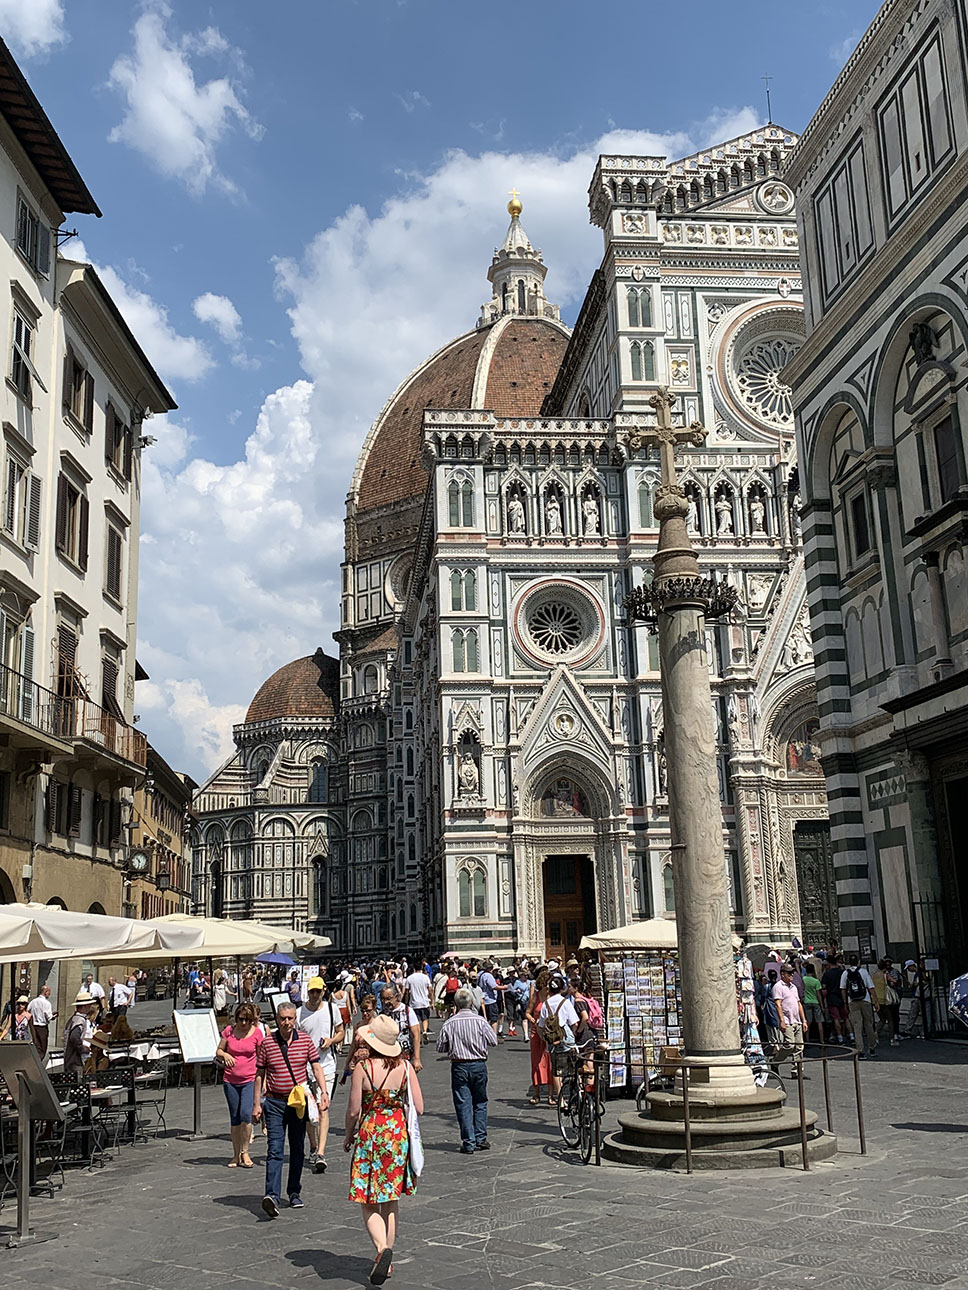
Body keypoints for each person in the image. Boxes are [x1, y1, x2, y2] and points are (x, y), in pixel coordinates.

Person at [344, 1014, 423, 1286]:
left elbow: (353, 1110)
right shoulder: (405, 1067)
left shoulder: (362, 1068)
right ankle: (387, 1259)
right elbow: (420, 1107)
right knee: (391, 1199)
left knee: (368, 1200)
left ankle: (381, 1250)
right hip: (397, 1136)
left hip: (371, 1136)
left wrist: (348, 1135)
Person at [253, 1002, 329, 1217]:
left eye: (290, 1018)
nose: (286, 1022)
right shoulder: (267, 1043)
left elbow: (316, 1066)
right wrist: (257, 1103)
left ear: (295, 1019)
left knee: (297, 1148)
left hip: (298, 1103)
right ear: (277, 1019)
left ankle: (294, 1191)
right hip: (274, 1103)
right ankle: (272, 1196)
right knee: (275, 1149)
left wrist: (323, 1091)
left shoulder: (304, 1040)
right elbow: (259, 1074)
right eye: (283, 1018)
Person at [436, 986, 497, 1153]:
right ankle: (480, 1137)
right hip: (478, 1064)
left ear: (456, 1004)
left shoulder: (450, 1023)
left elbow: (440, 1047)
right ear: (471, 1003)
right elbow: (493, 1041)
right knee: (480, 1101)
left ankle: (469, 1141)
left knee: (463, 1103)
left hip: (459, 1065)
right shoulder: (480, 1021)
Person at [297, 977, 344, 1174]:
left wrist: (331, 1040)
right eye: (312, 991)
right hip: (304, 1068)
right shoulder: (299, 1013)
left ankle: (321, 1153)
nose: (315, 995)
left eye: (318, 991)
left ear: (324, 991)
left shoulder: (332, 1010)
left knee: (323, 1107)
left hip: (326, 1065)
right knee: (309, 1112)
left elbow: (341, 1032)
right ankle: (313, 1145)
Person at [216, 1002, 264, 1168]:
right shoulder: (229, 1031)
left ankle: (245, 1151)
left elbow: (262, 1059)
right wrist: (225, 1055)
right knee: (235, 1118)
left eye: (247, 1020)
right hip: (230, 1080)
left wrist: (263, 1081)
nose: (244, 1023)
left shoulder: (256, 1033)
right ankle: (235, 1154)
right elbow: (219, 1050)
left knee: (246, 1114)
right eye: (241, 1019)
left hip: (249, 1079)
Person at [538, 974, 580, 1099]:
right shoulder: (565, 1002)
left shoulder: (545, 1004)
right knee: (574, 1067)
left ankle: (561, 1099)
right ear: (562, 988)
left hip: (552, 1039)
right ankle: (576, 1094)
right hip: (566, 1037)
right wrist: (573, 1033)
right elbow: (574, 1023)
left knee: (557, 1071)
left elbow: (541, 1026)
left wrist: (545, 1039)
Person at [842, 955, 878, 1058]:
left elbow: (843, 989)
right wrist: (875, 1001)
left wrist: (845, 1003)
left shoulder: (845, 973)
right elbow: (871, 987)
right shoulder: (864, 972)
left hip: (852, 1001)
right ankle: (872, 1048)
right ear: (858, 962)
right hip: (865, 1000)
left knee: (857, 1026)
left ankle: (860, 1051)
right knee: (869, 1024)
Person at [526, 972, 553, 1104]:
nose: (548, 986)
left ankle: (550, 1095)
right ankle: (536, 1094)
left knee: (550, 1063)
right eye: (547, 983)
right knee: (536, 1062)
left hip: (550, 1033)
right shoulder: (535, 997)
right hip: (536, 1032)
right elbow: (528, 1012)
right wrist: (532, 1019)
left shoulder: (552, 997)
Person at [381, 987, 421, 1071]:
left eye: (388, 999)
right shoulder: (382, 1014)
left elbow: (416, 1034)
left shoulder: (407, 1011)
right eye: (383, 999)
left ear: (396, 997)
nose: (385, 1002)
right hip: (389, 1057)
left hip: (406, 1055)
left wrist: (417, 1058)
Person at [772, 963, 806, 1060]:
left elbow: (798, 1003)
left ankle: (797, 1068)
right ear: (782, 974)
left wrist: (804, 1020)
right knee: (790, 1044)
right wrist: (782, 1020)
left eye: (792, 972)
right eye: (789, 973)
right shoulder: (778, 986)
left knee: (799, 1047)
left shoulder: (793, 987)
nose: (792, 975)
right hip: (787, 1020)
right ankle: (776, 1060)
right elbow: (778, 1004)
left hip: (797, 1020)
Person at [341, 994, 378, 1083]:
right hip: (357, 1062)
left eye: (368, 1011)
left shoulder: (377, 1025)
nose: (365, 1013)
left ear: (373, 1009)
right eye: (363, 1011)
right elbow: (353, 1046)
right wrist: (347, 1063)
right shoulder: (358, 1026)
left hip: (373, 1062)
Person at [63, 991, 96, 1073]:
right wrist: (82, 1048)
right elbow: (74, 1037)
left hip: (71, 1058)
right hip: (75, 1059)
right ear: (85, 1006)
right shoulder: (79, 1020)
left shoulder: (74, 1018)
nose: (90, 1007)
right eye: (89, 1005)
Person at [873, 958, 903, 1046]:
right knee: (890, 1019)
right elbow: (895, 981)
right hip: (885, 999)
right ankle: (892, 1039)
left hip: (876, 999)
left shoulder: (873, 975)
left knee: (882, 1019)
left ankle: (876, 1033)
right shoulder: (885, 975)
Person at [820, 957, 850, 1045]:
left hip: (832, 997)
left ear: (829, 963)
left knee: (836, 1018)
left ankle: (840, 1037)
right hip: (842, 996)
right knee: (846, 1017)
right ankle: (851, 1035)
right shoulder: (842, 972)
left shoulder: (827, 974)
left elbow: (824, 988)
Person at [403, 960, 432, 1043]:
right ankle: (425, 1031)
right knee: (425, 1018)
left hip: (414, 1003)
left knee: (417, 1020)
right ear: (422, 968)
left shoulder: (410, 978)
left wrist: (406, 1002)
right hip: (424, 1002)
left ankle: (418, 1034)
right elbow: (430, 990)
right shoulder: (425, 977)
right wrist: (431, 1001)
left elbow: (407, 992)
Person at [27, 984, 55, 1057]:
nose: (49, 994)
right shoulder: (46, 1003)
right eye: (49, 992)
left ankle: (35, 1060)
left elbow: (28, 1010)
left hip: (34, 1027)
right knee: (42, 1048)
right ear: (46, 992)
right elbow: (49, 1016)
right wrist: (53, 1016)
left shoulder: (33, 1002)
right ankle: (38, 1062)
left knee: (36, 1045)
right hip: (42, 1027)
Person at [332, 975, 357, 1051]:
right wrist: (350, 1014)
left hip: (336, 1011)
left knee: (335, 1028)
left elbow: (330, 1003)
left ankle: (335, 1043)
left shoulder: (332, 994)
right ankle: (340, 1046)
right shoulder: (346, 993)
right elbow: (348, 1004)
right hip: (344, 1011)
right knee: (342, 1029)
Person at [801, 963, 824, 1043]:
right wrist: (822, 1005)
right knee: (819, 1021)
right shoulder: (816, 981)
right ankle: (822, 1040)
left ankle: (807, 1040)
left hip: (807, 1001)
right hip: (815, 1001)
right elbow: (818, 994)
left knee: (808, 1021)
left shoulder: (803, 979)